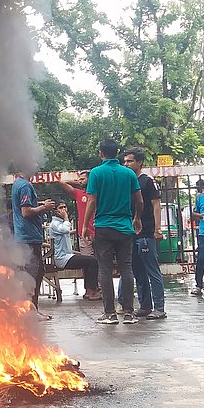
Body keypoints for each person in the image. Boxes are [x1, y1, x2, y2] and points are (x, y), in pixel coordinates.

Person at [81, 138, 141, 324]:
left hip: (104, 228)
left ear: (101, 153)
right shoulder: (129, 173)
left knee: (105, 270)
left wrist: (84, 225)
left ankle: (110, 314)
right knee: (126, 268)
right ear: (118, 153)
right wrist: (137, 218)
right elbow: (139, 200)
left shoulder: (96, 174)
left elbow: (91, 201)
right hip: (124, 227)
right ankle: (129, 313)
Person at [120, 147, 166, 319]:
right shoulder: (127, 182)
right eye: (124, 161)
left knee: (152, 270)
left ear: (139, 162)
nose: (126, 164)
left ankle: (159, 308)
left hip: (146, 232)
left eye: (130, 161)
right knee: (137, 271)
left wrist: (157, 228)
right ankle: (145, 305)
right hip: (131, 233)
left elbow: (156, 205)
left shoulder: (147, 181)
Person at [11, 169, 58, 318]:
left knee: (36, 273)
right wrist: (44, 208)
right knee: (32, 276)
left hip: (25, 237)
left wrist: (40, 204)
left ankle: (33, 310)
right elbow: (26, 211)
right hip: (29, 237)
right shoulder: (25, 186)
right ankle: (30, 312)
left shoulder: (17, 183)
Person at [57, 171, 101, 299]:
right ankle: (89, 290)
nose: (80, 181)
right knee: (89, 263)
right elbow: (61, 182)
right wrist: (78, 182)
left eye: (83, 179)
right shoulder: (78, 193)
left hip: (99, 233)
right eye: (79, 179)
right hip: (85, 234)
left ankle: (99, 289)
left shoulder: (98, 193)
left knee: (100, 263)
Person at [47, 201, 100, 301]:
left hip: (68, 256)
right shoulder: (55, 224)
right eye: (61, 208)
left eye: (65, 207)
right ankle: (92, 290)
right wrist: (66, 218)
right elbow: (65, 230)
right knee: (93, 261)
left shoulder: (60, 223)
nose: (64, 210)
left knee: (89, 262)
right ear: (55, 211)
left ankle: (89, 290)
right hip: (62, 258)